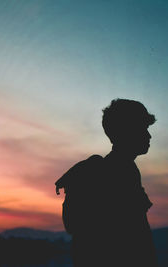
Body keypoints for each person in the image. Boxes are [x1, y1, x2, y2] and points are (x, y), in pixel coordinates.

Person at [55, 99, 158, 267]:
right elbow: (131, 237)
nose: (148, 135)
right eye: (143, 128)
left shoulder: (125, 168)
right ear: (126, 131)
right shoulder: (117, 172)